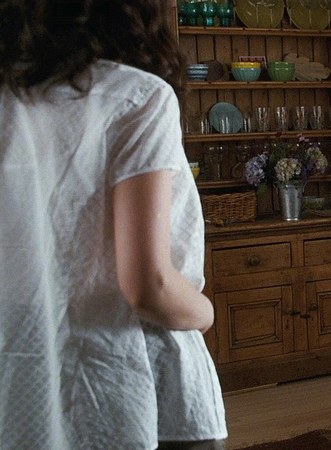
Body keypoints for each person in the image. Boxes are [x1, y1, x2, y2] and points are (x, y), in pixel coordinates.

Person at [0, 1, 226, 448]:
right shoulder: (136, 96)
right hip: (132, 374)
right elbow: (149, 288)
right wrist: (205, 312)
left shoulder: (12, 100)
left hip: (21, 377)